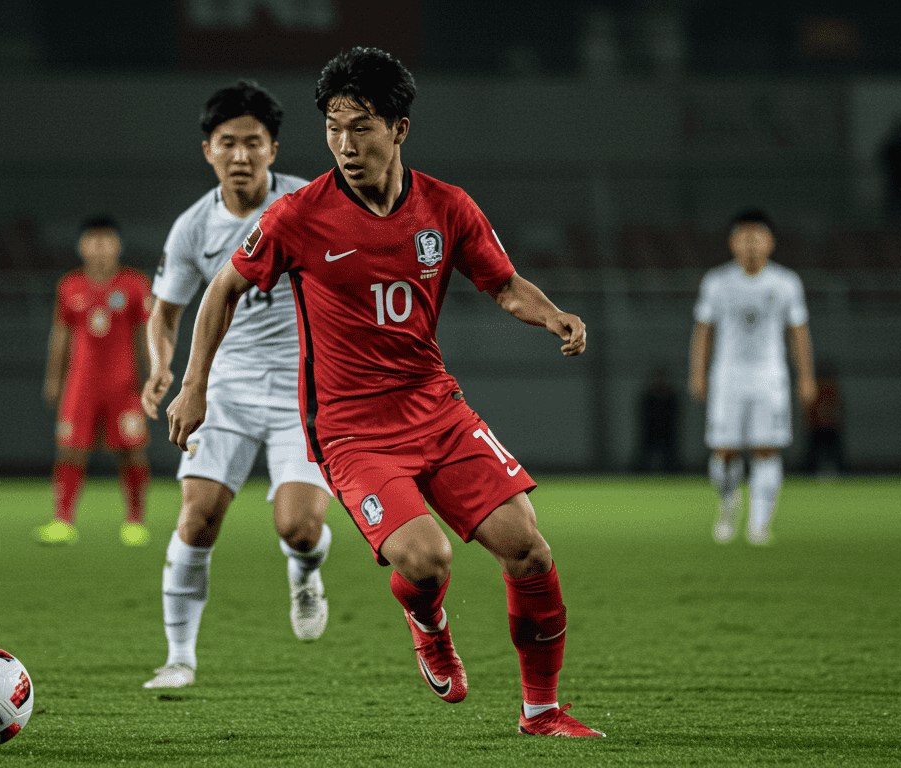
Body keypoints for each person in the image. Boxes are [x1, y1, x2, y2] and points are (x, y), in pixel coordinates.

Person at [166, 47, 604, 737]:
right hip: (351, 431)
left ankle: (542, 712)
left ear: (399, 129)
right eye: (333, 128)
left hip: (437, 410)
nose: (345, 145)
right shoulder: (297, 216)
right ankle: (427, 621)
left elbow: (503, 284)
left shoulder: (447, 207)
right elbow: (223, 289)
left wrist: (552, 315)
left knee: (529, 549)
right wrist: (194, 386)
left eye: (361, 127)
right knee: (427, 562)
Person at [140, 81, 334, 689]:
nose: (241, 155)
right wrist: (163, 368)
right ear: (209, 150)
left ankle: (305, 571)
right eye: (228, 143)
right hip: (225, 386)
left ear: (273, 148)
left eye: (254, 142)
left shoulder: (309, 203)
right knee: (197, 519)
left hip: (306, 388)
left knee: (299, 529)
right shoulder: (193, 227)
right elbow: (164, 311)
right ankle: (179, 658)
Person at [689, 208, 815, 546]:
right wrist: (698, 373)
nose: (751, 244)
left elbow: (798, 332)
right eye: (744, 237)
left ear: (770, 242)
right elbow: (703, 330)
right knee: (724, 451)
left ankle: (759, 524)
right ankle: (728, 504)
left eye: (757, 237)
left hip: (769, 377)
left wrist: (806, 377)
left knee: (766, 449)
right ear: (732, 242)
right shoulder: (717, 282)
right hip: (727, 377)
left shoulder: (786, 282)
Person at [35, 216, 152, 547]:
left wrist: (152, 377)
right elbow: (60, 335)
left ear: (118, 245)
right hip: (81, 384)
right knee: (70, 450)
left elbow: (146, 335)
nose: (100, 247)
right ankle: (63, 521)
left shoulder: (135, 284)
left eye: (106, 240)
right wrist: (53, 378)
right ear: (81, 246)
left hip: (123, 385)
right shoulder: (70, 286)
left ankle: (135, 522)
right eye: (93, 241)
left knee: (132, 451)